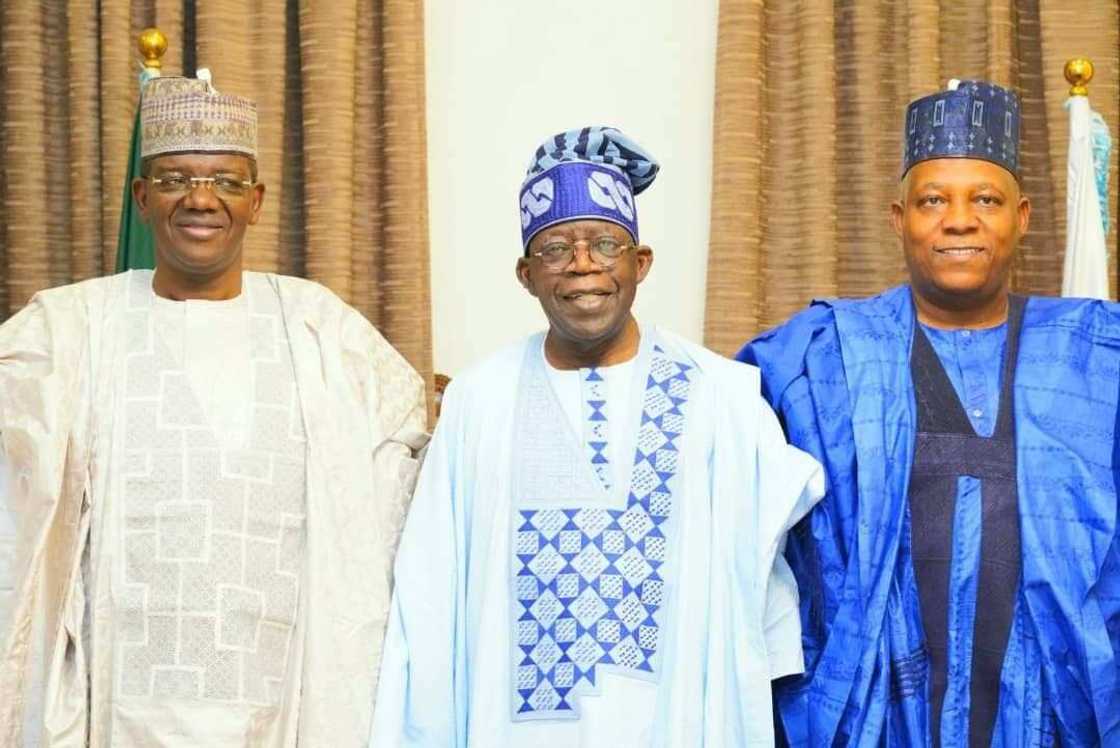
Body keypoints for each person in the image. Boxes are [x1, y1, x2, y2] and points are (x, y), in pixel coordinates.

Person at [0, 72, 426, 746]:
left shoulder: (320, 329)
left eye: (226, 182)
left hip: (285, 700)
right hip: (114, 700)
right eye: (175, 179)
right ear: (142, 198)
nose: (202, 199)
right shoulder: (70, 328)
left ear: (256, 201)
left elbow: (407, 464)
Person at [371, 126, 823, 747]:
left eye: (604, 243)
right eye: (556, 248)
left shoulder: (723, 399)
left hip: (680, 722)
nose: (582, 264)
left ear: (640, 264)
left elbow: (767, 595)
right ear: (526, 274)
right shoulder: (479, 400)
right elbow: (428, 592)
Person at [741, 80, 1120, 746]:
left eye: (986, 200)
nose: (959, 220)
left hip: (1057, 712)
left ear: (1022, 216)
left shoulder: (1095, 357)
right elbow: (719, 469)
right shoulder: (816, 356)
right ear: (899, 217)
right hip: (878, 713)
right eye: (933, 200)